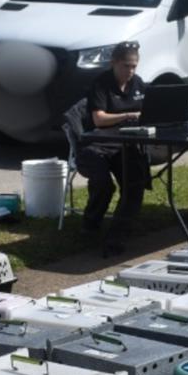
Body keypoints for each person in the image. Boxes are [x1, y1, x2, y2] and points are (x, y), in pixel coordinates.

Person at [77, 40, 153, 258]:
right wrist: (128, 115)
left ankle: (117, 235)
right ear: (114, 63)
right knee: (103, 184)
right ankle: (91, 224)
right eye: (126, 66)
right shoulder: (100, 84)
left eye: (134, 67)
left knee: (134, 185)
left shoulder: (138, 83)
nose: (130, 71)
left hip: (127, 144)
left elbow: (148, 110)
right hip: (97, 145)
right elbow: (99, 119)